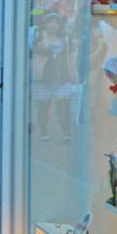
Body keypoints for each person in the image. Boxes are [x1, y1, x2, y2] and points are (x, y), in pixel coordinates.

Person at [30, 12, 75, 141]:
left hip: (62, 77)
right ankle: (44, 133)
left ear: (60, 24)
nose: (53, 25)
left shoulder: (66, 37)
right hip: (43, 78)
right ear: (44, 24)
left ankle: (67, 134)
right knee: (43, 106)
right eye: (50, 22)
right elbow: (43, 48)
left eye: (56, 22)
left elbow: (71, 56)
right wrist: (44, 35)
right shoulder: (38, 37)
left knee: (64, 107)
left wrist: (73, 74)